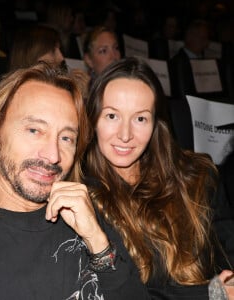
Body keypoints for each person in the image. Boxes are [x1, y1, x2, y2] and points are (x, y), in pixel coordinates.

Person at [0, 62, 151, 299]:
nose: (53, 155)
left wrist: (98, 242)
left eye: (66, 138)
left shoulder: (85, 210)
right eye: (34, 130)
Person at [83, 57, 234, 299]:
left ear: (155, 125)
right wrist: (214, 294)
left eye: (140, 118)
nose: (125, 135)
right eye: (112, 116)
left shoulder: (198, 177)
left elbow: (228, 245)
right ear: (93, 120)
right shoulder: (84, 198)